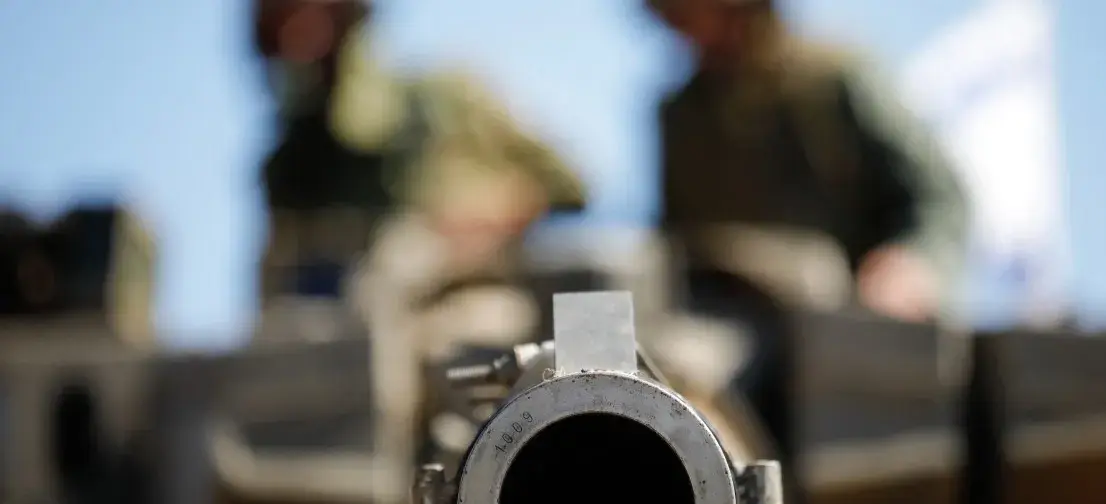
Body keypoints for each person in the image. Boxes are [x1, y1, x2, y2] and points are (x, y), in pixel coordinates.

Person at [646, 0, 968, 448]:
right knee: (672, 370)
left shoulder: (832, 78)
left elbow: (936, 195)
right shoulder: (681, 112)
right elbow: (673, 238)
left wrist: (913, 262)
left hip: (839, 319)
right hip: (722, 321)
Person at [253, 0, 587, 304]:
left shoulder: (446, 98)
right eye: (280, 28)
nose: (296, 41)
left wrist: (487, 217)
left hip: (474, 306)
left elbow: (568, 186)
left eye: (309, 18)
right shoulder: (291, 167)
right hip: (350, 328)